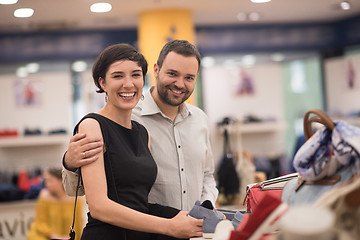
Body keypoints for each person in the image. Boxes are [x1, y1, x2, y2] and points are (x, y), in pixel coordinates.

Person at [62, 43, 202, 240]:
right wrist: (169, 226)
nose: (128, 84)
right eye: (118, 76)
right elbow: (99, 207)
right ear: (102, 83)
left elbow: (139, 203)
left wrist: (187, 217)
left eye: (135, 75)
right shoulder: (92, 126)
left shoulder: (143, 134)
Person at [27, 167, 84, 240]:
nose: (47, 184)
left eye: (50, 181)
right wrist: (55, 237)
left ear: (60, 181)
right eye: (46, 181)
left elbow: (78, 224)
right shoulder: (44, 196)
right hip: (46, 236)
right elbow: (40, 223)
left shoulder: (75, 199)